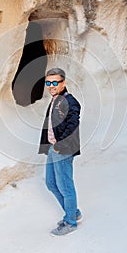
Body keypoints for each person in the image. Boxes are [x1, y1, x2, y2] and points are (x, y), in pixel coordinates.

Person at [39, 68, 82, 236]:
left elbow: (73, 125)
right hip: (53, 148)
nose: (51, 86)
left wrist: (58, 145)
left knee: (65, 186)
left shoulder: (70, 102)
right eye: (48, 83)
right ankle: (74, 212)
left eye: (55, 82)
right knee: (51, 183)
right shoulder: (56, 99)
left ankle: (70, 222)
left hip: (62, 150)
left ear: (63, 83)